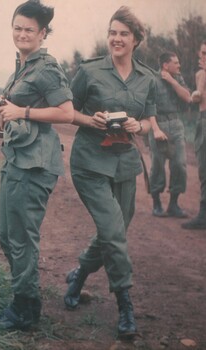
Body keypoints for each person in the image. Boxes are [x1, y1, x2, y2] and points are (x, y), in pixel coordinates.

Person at [64, 6, 156, 340]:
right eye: (112, 32)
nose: (116, 39)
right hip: (89, 163)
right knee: (114, 233)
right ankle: (125, 306)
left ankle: (78, 276)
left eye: (123, 34)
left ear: (136, 40)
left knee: (113, 232)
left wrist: (139, 125)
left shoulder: (148, 78)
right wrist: (91, 120)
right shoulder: (89, 72)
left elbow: (151, 121)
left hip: (125, 163)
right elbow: (66, 110)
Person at [0, 1, 73, 331]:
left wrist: (21, 113)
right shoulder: (22, 66)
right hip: (18, 158)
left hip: (35, 164)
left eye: (29, 30)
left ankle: (25, 310)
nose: (22, 34)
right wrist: (0, 106)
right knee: (7, 236)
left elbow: (65, 112)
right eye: (18, 28)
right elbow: (15, 107)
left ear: (42, 33)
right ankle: (24, 299)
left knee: (21, 237)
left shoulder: (46, 68)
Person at [148, 52, 191, 218]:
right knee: (157, 166)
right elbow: (148, 105)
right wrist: (155, 129)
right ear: (165, 65)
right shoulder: (153, 80)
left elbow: (187, 98)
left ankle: (173, 204)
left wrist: (172, 81)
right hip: (158, 124)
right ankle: (156, 203)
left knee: (179, 164)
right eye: (176, 63)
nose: (179, 66)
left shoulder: (177, 79)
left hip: (176, 124)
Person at [182, 40, 206, 230]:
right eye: (202, 53)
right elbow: (196, 97)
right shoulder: (200, 74)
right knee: (203, 168)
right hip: (203, 119)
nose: (202, 58)